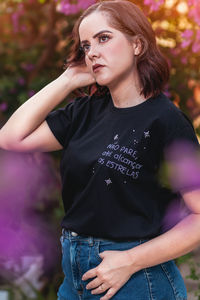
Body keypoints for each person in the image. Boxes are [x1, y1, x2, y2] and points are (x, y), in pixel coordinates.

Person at [0, 0, 200, 299]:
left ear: (137, 45)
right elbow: (11, 138)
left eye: (103, 38)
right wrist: (68, 79)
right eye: (85, 45)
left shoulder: (167, 122)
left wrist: (129, 261)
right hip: (75, 275)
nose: (92, 52)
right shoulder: (84, 112)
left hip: (136, 279)